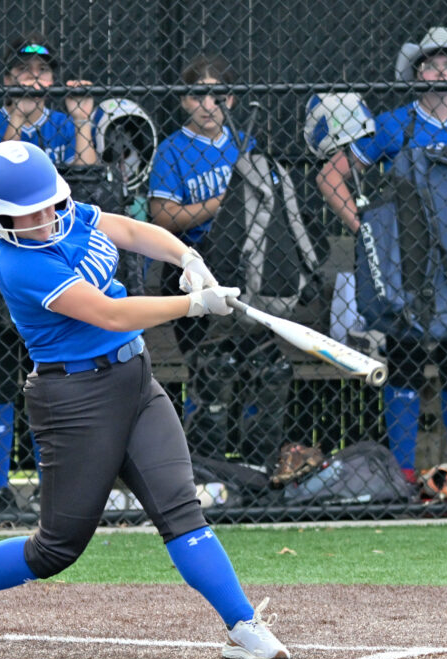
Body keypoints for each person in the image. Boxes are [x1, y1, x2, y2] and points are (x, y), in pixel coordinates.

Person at [0, 140, 290, 659]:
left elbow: (130, 230)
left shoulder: (68, 213)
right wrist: (193, 303)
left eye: (49, 205)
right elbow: (110, 315)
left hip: (134, 380)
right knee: (55, 549)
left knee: (181, 509)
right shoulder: (22, 267)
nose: (45, 219)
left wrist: (187, 256)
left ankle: (242, 623)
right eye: (29, 214)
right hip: (74, 401)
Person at [316, 27, 447, 483]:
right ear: (416, 73)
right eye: (431, 63)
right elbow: (331, 177)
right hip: (407, 266)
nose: (441, 71)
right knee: (405, 365)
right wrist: (366, 230)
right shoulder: (393, 125)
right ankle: (404, 477)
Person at [0, 34, 98, 513]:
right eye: (23, 71)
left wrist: (83, 121)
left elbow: (86, 177)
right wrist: (18, 123)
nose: (33, 78)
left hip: (57, 256)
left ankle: (54, 484)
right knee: (0, 373)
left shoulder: (65, 125)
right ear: (7, 79)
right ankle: (0, 488)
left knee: (51, 371)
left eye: (41, 72)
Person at [148, 55, 292, 467]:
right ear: (184, 101)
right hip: (193, 272)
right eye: (198, 94)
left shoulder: (245, 145)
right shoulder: (173, 150)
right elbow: (163, 216)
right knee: (217, 368)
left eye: (217, 95)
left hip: (246, 273)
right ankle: (208, 471)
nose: (208, 104)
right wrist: (219, 205)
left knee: (270, 371)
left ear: (229, 100)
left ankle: (255, 470)